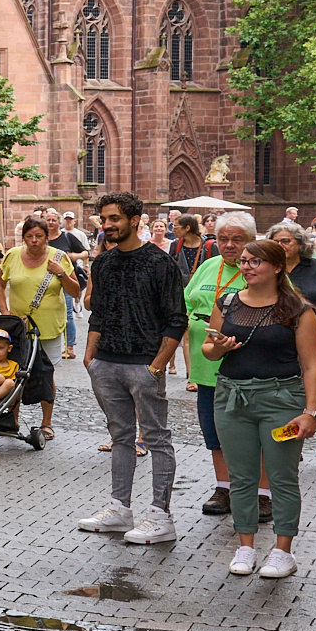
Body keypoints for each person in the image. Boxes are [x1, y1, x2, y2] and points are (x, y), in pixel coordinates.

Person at [203, 240, 316, 579]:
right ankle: (246, 545)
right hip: (231, 397)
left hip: (281, 399)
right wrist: (219, 346)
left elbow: (312, 366)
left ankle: (283, 550)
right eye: (243, 261)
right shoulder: (227, 303)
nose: (247, 267)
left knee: (282, 476)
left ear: (277, 267)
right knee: (241, 477)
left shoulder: (300, 310)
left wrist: (310, 413)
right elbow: (209, 350)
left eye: (256, 261)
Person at [78, 192, 188, 545]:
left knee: (156, 438)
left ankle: (160, 515)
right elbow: (100, 312)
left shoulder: (160, 263)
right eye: (104, 219)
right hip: (106, 361)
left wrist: (157, 365)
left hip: (144, 363)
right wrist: (90, 356)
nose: (108, 225)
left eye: (115, 219)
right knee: (120, 437)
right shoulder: (103, 263)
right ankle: (119, 508)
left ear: (135, 219)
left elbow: (176, 319)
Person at [185, 214, 266, 520]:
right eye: (223, 239)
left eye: (237, 239)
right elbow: (187, 300)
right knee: (214, 430)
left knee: (254, 431)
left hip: (248, 365)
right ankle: (224, 488)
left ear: (252, 239)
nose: (229, 246)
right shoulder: (208, 265)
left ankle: (263, 493)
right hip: (207, 367)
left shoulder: (263, 268)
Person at [268, 220, 316, 469]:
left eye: (286, 241)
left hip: (314, 338)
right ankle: (292, 443)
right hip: (276, 341)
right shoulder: (269, 269)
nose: (281, 246)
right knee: (281, 391)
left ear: (300, 244)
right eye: (276, 242)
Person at [0, 216, 80, 439]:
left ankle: (47, 422)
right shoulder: (12, 255)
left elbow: (76, 291)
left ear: (47, 237)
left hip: (49, 326)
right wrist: (5, 312)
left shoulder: (59, 257)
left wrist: (60, 273)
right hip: (19, 327)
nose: (34, 241)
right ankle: (12, 420)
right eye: (29, 236)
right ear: (24, 237)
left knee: (46, 374)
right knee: (14, 373)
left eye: (39, 236)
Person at [169, 214, 212, 380]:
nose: (173, 230)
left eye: (176, 226)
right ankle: (191, 374)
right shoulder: (176, 245)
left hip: (202, 295)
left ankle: (198, 371)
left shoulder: (209, 246)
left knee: (198, 333)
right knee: (186, 333)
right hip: (181, 294)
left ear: (187, 227)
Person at [45, 209, 88, 359]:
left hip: (65, 280)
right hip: (44, 282)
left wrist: (72, 256)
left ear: (59, 222)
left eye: (53, 220)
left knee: (68, 313)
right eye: (48, 220)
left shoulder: (67, 237)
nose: (50, 223)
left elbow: (85, 253)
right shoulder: (41, 238)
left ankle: (69, 347)